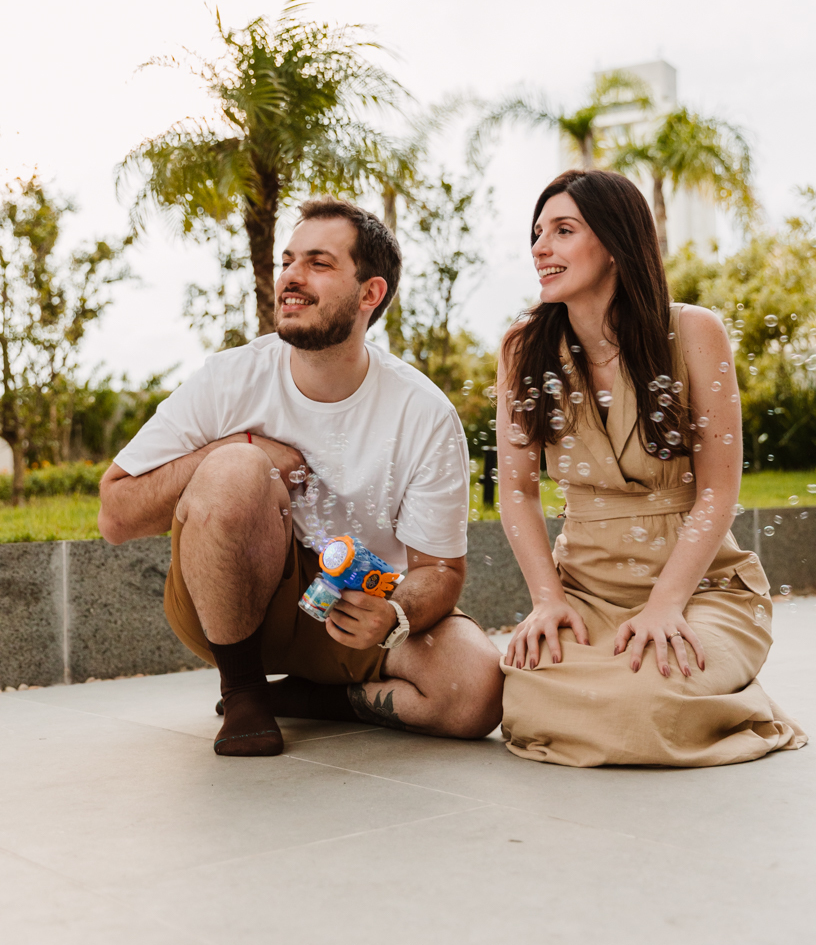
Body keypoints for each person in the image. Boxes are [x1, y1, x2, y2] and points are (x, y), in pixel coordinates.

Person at [99, 197, 502, 757]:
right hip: (236, 602)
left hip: (355, 608)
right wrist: (240, 445)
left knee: (476, 689)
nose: (290, 276)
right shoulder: (231, 378)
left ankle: (320, 699)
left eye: (318, 262)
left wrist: (396, 613)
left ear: (370, 293)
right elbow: (115, 514)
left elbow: (440, 569)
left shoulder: (423, 412)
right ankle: (243, 692)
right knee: (236, 468)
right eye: (288, 260)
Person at [497, 169, 807, 767]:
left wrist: (665, 605)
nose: (541, 248)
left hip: (700, 589)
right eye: (538, 232)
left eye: (563, 230)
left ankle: (734, 702)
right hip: (586, 590)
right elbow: (518, 492)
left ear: (614, 244)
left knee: (645, 700)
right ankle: (694, 697)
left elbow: (719, 490)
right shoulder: (522, 348)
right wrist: (546, 600)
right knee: (519, 687)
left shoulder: (694, 331)